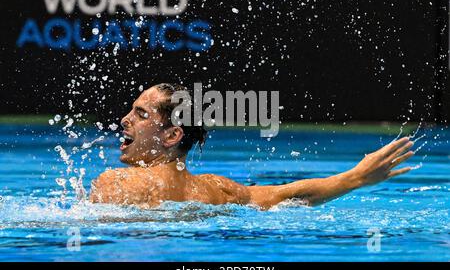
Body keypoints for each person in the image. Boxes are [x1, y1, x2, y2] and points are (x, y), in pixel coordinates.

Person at [89, 83, 415, 210]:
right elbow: (292, 194)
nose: (124, 119)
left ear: (173, 135)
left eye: (140, 114)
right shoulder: (217, 190)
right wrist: (358, 176)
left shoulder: (117, 183)